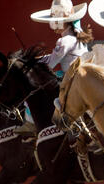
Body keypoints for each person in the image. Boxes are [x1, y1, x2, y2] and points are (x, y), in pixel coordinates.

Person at [17, 0, 92, 136]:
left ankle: (31, 123)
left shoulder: (64, 41)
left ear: (66, 21)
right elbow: (53, 56)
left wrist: (31, 62)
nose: (54, 25)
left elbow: (50, 63)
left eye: (57, 21)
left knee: (35, 89)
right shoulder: (75, 36)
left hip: (70, 77)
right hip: (78, 75)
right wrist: (37, 59)